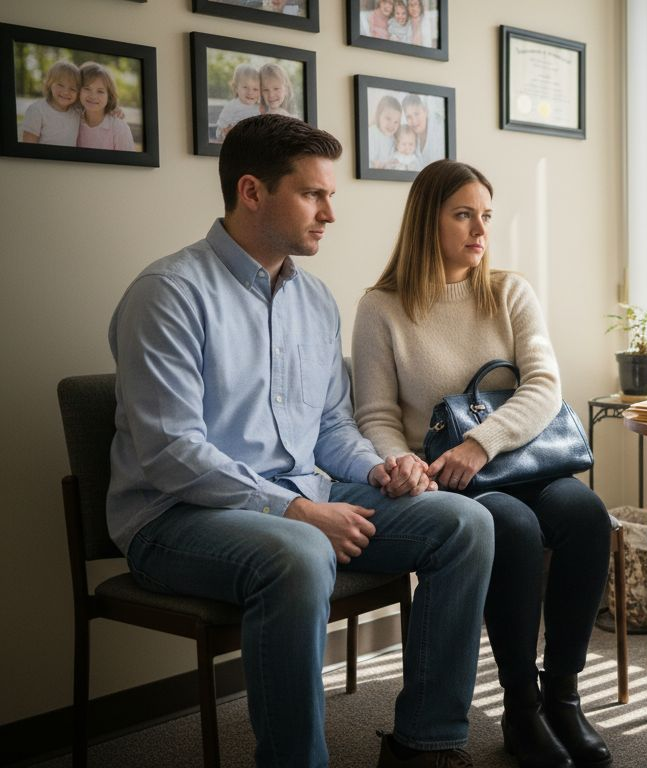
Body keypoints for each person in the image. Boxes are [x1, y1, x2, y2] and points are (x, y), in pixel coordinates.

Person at [107, 114, 494, 768]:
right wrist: (297, 512)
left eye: (331, 196)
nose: (329, 214)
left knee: (465, 523)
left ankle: (425, 745)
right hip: (174, 516)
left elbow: (331, 428)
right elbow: (172, 453)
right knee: (300, 553)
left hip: (299, 493)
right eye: (314, 195)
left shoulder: (314, 301)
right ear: (253, 192)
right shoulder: (167, 293)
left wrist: (381, 469)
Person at [353, 160, 614, 768]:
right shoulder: (381, 307)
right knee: (513, 529)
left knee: (586, 514)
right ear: (428, 221)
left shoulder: (508, 291)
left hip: (524, 462)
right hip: (450, 482)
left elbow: (545, 384)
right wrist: (405, 465)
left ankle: (564, 697)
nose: (480, 230)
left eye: (486, 216)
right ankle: (521, 706)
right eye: (464, 214)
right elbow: (375, 414)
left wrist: (483, 442)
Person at [74, 62, 134, 152]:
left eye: (100, 91)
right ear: (79, 90)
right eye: (87, 88)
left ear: (109, 95)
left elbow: (129, 164)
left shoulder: (119, 128)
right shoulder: (73, 119)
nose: (93, 96)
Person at [20, 59, 80, 145]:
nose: (66, 92)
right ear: (49, 83)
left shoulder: (77, 112)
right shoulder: (37, 110)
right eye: (60, 85)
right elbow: (28, 146)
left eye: (73, 88)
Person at [214, 64, 261, 142]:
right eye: (245, 87)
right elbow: (219, 131)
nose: (250, 92)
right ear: (236, 88)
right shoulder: (231, 107)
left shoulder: (259, 107)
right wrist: (224, 133)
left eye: (255, 89)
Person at [402, 94, 444, 166]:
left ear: (425, 111)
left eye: (416, 114)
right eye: (409, 117)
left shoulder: (439, 132)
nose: (414, 121)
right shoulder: (411, 138)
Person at [369, 94, 401, 169]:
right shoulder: (372, 133)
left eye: (396, 122)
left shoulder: (393, 139)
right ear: (378, 115)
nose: (391, 125)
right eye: (388, 118)